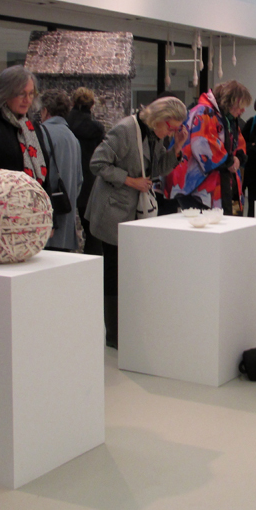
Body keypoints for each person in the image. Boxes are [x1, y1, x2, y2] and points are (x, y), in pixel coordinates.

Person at [86, 96, 188, 348]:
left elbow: (155, 169)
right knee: (113, 272)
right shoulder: (125, 130)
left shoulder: (153, 135)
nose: (172, 132)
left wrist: (177, 147)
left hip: (133, 213)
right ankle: (114, 336)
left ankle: (129, 326)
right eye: (172, 127)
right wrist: (130, 181)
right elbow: (97, 163)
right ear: (160, 120)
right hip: (113, 213)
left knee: (131, 271)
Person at [166, 81, 251, 214]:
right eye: (240, 106)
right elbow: (202, 144)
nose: (243, 110)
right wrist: (229, 161)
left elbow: (238, 141)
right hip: (197, 188)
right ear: (230, 102)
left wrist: (238, 157)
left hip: (213, 185)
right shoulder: (204, 112)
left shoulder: (224, 116)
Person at [39, 89, 83, 251]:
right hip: (66, 215)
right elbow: (79, 180)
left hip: (46, 223)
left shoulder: (40, 134)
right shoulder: (72, 138)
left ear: (45, 110)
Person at [66, 87, 105, 254]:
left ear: (72, 103)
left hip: (66, 178)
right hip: (89, 180)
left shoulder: (64, 124)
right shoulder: (96, 128)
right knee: (92, 232)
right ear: (92, 105)